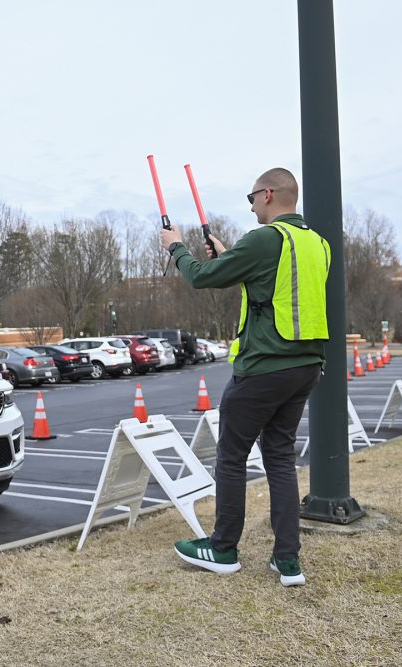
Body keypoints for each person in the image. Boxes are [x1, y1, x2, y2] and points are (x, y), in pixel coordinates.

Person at [160, 167, 330, 587]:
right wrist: (230, 254)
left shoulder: (266, 239)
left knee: (232, 458)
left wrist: (176, 246)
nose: (251, 204)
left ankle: (222, 548)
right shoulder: (316, 243)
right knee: (279, 458)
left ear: (268, 194)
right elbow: (270, 287)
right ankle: (287, 560)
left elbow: (201, 278)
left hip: (263, 367)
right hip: (305, 366)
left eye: (252, 197)